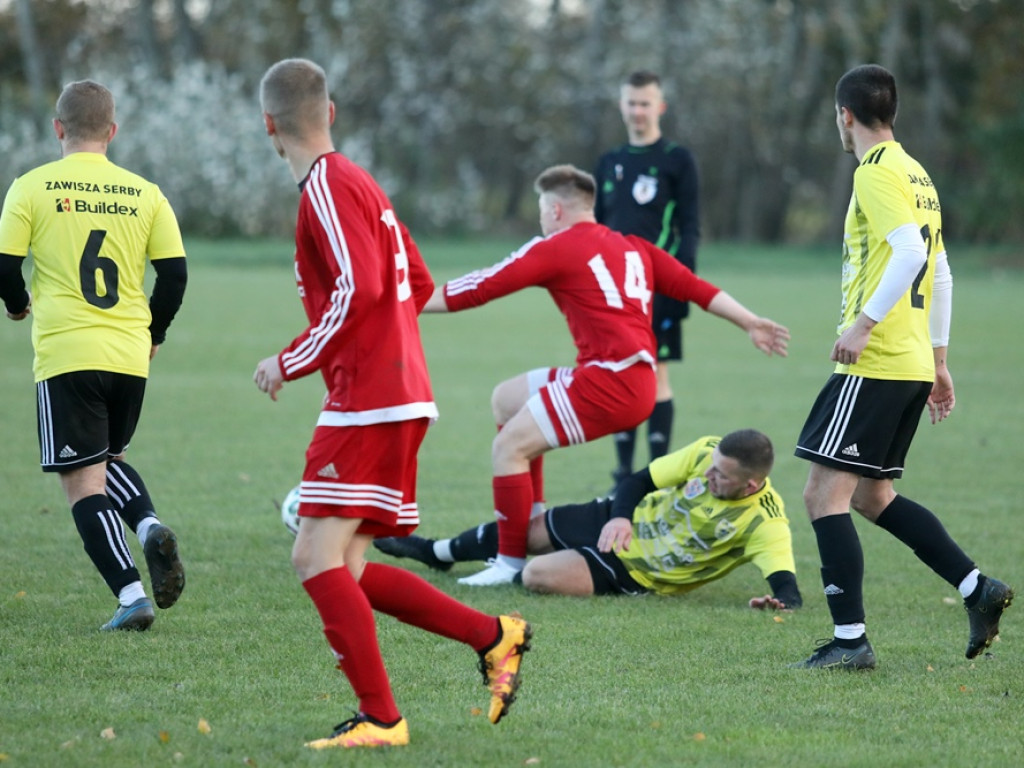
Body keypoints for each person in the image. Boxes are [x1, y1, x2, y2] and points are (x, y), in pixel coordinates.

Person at [252, 58, 531, 750]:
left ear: (268, 126)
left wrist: (290, 359)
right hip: (395, 393)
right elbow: (417, 279)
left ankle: (382, 719)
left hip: (368, 401)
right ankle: (494, 635)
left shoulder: (323, 186)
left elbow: (362, 285)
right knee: (344, 568)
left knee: (313, 558)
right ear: (331, 111)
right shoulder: (362, 183)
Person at [421, 164, 789, 587]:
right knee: (507, 398)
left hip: (609, 382)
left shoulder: (556, 246)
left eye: (543, 209)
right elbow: (693, 287)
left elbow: (480, 286)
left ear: (556, 209)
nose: (542, 219)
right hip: (635, 380)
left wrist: (406, 301)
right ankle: (532, 517)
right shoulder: (634, 246)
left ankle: (508, 561)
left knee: (508, 447)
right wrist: (749, 322)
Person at [791, 64, 1012, 671]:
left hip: (879, 360)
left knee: (822, 495)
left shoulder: (875, 172)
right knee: (872, 495)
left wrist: (862, 323)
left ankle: (850, 641)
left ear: (845, 115)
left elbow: (914, 253)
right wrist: (938, 361)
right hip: (911, 360)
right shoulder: (918, 174)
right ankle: (977, 589)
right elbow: (939, 271)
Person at [0, 80, 187, 632]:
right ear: (112, 131)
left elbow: (4, 264)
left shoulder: (31, 187)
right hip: (130, 354)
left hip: (67, 352)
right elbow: (174, 274)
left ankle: (131, 595)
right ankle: (149, 526)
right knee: (107, 461)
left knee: (81, 482)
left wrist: (16, 306)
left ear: (58, 128)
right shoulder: (145, 192)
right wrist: (153, 331)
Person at [376, 430, 802, 607]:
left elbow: (788, 588)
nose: (708, 474)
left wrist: (776, 603)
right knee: (526, 532)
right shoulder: (709, 449)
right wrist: (620, 519)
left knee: (536, 575)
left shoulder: (766, 524)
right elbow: (638, 481)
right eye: (710, 465)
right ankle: (437, 552)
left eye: (720, 476)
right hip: (621, 520)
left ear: (749, 486)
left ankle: (521, 568)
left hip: (636, 569)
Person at [594, 71, 700, 491]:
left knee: (656, 373)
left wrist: (681, 281)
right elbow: (596, 227)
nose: (637, 111)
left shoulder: (677, 159)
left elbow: (690, 226)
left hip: (659, 287)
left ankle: (656, 476)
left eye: (645, 103)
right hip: (611, 288)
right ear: (622, 106)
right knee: (617, 371)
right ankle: (623, 475)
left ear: (660, 107)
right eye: (631, 103)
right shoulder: (608, 161)